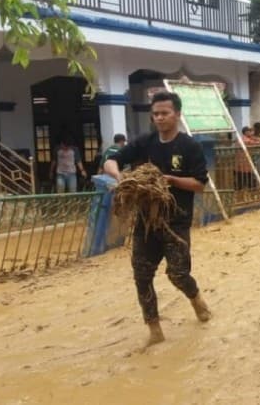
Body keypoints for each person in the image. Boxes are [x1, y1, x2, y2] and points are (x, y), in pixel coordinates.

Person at [103, 91, 212, 346]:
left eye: (165, 113)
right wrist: (120, 177)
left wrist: (171, 180)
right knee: (141, 275)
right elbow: (110, 161)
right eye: (155, 114)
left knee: (178, 274)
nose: (160, 118)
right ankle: (154, 330)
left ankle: (196, 298)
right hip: (146, 222)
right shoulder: (145, 143)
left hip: (177, 222)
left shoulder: (190, 147)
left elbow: (199, 184)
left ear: (177, 114)